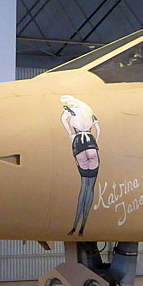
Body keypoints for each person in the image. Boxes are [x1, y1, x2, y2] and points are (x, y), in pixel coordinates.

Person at [60, 95, 101, 236]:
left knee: (83, 187)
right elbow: (98, 128)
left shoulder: (70, 111)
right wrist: (96, 140)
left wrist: (70, 134)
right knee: (91, 187)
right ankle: (83, 226)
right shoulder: (88, 111)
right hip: (91, 142)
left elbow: (62, 120)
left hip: (78, 143)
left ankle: (75, 226)